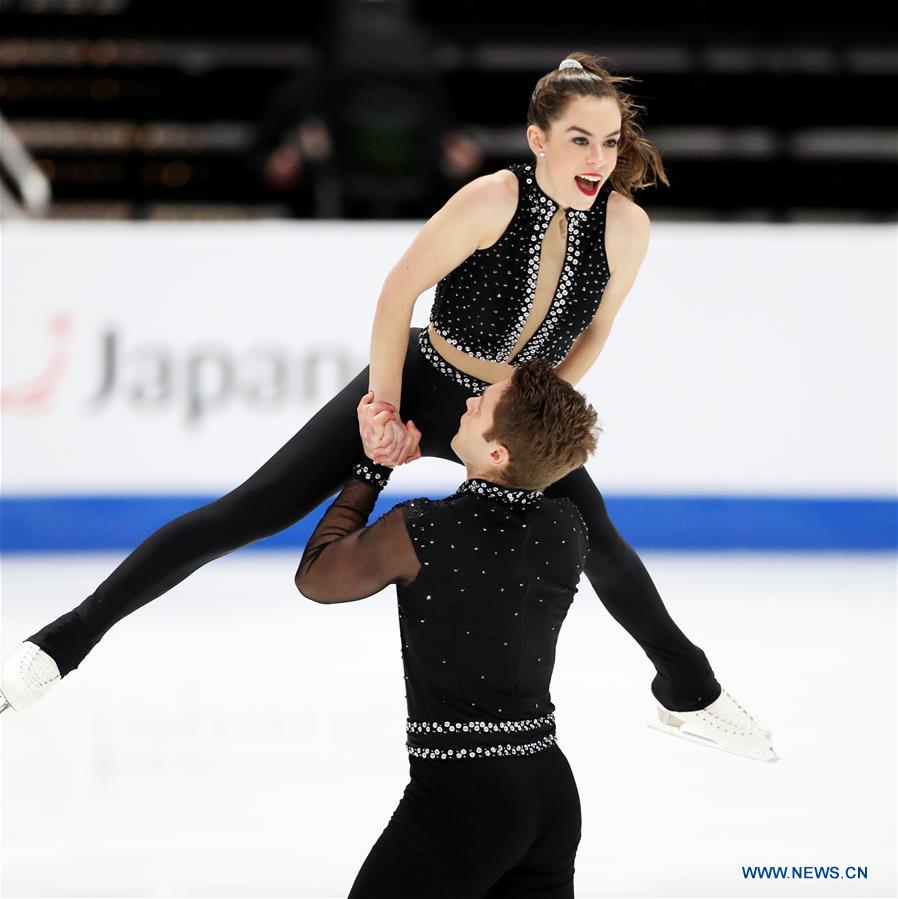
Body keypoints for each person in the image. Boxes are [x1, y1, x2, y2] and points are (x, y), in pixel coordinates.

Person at [1, 51, 772, 761]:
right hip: (424, 375)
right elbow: (398, 292)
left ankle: (688, 689)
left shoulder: (627, 229)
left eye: (609, 141)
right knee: (250, 511)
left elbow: (596, 331)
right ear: (538, 139)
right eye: (579, 140)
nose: (598, 160)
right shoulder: (492, 199)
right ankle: (59, 645)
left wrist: (530, 405)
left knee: (599, 540)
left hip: (506, 410)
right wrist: (383, 407)